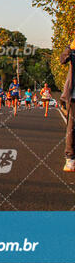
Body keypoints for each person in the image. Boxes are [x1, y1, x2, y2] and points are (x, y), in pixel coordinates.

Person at [60, 36, 75, 172]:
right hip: (74, 96)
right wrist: (70, 47)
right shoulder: (71, 50)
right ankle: (70, 158)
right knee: (72, 127)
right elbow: (62, 60)